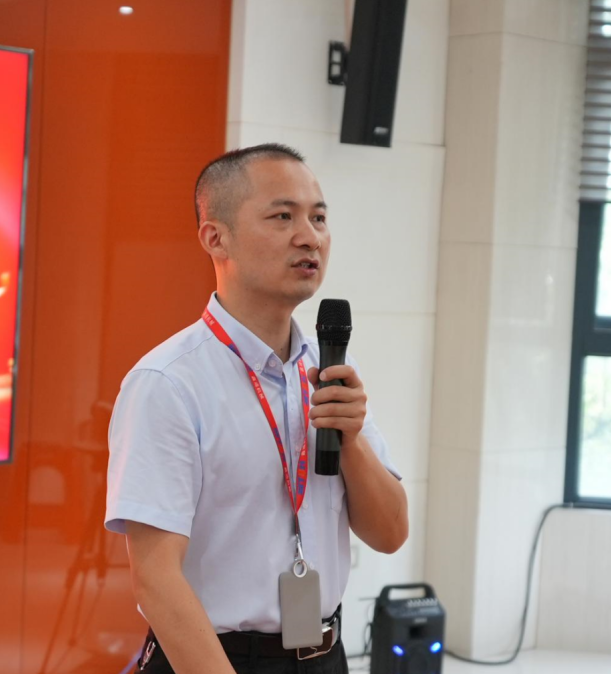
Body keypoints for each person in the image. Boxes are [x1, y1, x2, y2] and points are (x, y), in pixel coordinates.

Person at [105, 143, 408, 674]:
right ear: (215, 237)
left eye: (318, 218)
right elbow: (156, 580)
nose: (309, 237)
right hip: (215, 659)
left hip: (324, 655)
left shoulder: (329, 368)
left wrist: (351, 438)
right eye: (282, 216)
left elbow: (390, 534)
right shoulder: (168, 383)